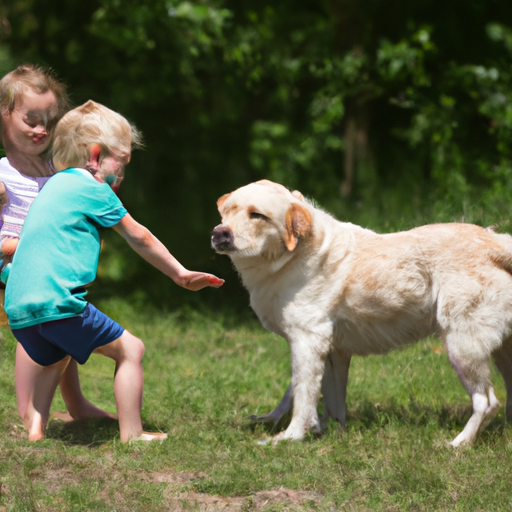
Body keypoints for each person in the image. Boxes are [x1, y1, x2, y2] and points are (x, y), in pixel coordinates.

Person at [4, 99, 224, 442]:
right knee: (131, 349)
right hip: (56, 303)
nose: (121, 175)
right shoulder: (91, 186)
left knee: (56, 354)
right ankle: (133, 435)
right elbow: (140, 236)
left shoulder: (53, 187)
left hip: (18, 308)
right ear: (94, 156)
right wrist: (180, 274)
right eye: (121, 164)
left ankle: (36, 428)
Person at [0, 64, 116, 421]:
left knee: (59, 331)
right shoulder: (2, 176)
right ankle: (29, 413)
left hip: (53, 272)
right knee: (47, 330)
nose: (41, 129)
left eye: (49, 122)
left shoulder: (57, 171)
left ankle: (75, 404)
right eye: (31, 119)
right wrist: (19, 246)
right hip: (14, 274)